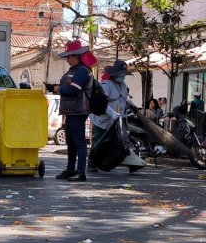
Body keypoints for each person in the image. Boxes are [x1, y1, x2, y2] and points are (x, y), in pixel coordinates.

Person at [45, 40, 95, 182]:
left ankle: (81, 172)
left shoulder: (83, 71)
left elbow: (73, 90)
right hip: (69, 110)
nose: (67, 60)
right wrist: (54, 87)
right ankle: (70, 169)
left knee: (79, 142)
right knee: (71, 142)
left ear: (76, 56)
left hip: (78, 110)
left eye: (69, 57)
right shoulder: (73, 70)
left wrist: (56, 89)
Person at [89, 60, 138, 172]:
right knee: (98, 140)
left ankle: (108, 160)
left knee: (116, 141)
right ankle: (91, 162)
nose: (122, 77)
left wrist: (132, 106)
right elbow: (102, 103)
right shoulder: (106, 85)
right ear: (115, 74)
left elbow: (125, 98)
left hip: (116, 120)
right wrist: (112, 114)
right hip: (102, 119)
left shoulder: (123, 86)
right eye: (121, 74)